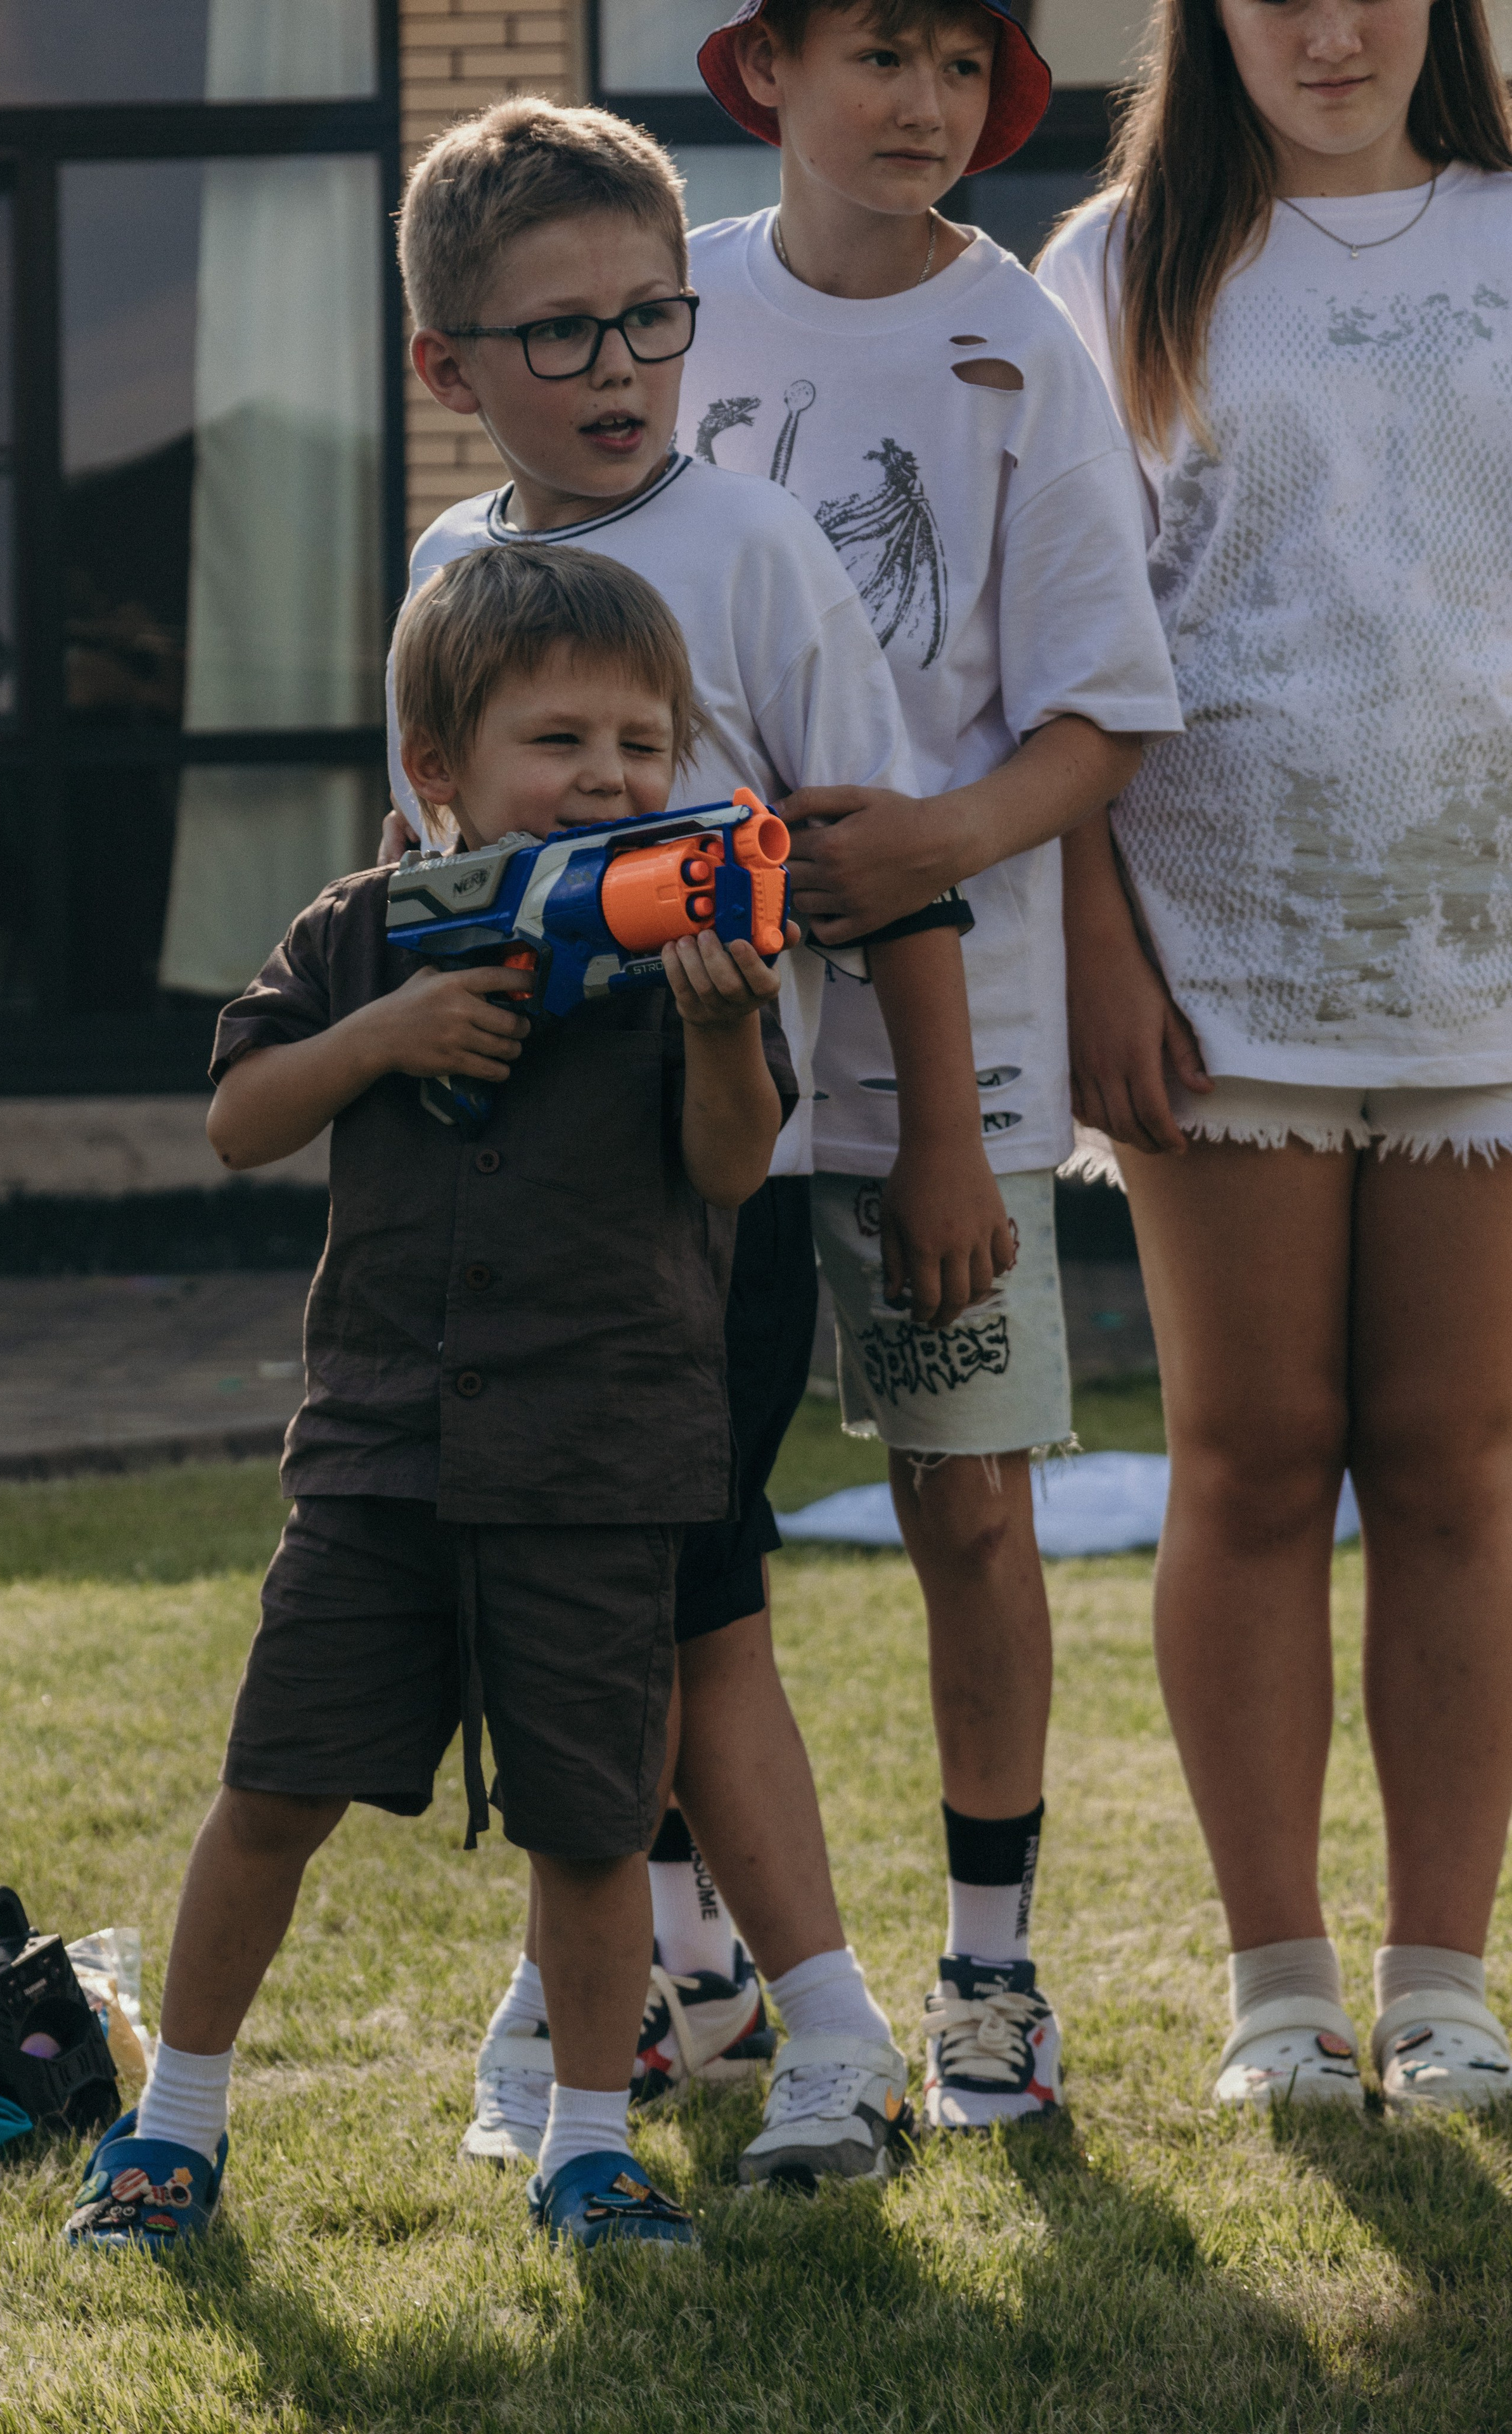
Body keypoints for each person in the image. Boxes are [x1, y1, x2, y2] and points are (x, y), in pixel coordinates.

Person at [385, 95, 995, 2189]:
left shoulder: (752, 548)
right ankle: (644, 1995)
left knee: (683, 1596)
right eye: (557, 335)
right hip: (510, 1203)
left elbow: (885, 870)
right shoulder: (449, 571)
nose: (621, 367)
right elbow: (418, 871)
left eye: (651, 317)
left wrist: (933, 1151)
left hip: (709, 1192)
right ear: (447, 370)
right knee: (619, 1598)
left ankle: (795, 2032)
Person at [64, 543, 795, 2257]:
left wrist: (715, 1034)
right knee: (272, 1790)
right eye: (562, 741)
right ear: (438, 770)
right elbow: (243, 1118)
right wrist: (383, 1033)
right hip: (384, 1456)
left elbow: (736, 1170)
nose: (610, 776)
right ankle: (173, 2128)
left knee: (597, 1826)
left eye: (642, 742)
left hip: (600, 1467)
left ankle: (588, 2144)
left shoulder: (684, 945)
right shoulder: (358, 932)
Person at [681, 0, 1183, 2128]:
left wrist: (937, 843)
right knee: (672, 1512)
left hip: (949, 1049)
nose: (926, 108)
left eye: (963, 72)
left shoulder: (1023, 349)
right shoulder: (663, 302)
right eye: (881, 55)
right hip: (689, 1029)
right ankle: (686, 1964)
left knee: (967, 1500)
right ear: (769, 71)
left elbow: (1102, 704)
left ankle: (994, 1980)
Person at [1038, 0, 1512, 2111]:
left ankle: (1443, 1988)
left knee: (1457, 1469)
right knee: (1248, 1459)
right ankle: (1276, 2000)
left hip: (1488, 957)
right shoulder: (1116, 269)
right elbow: (1048, 644)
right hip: (1217, 962)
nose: (1328, 28)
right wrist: (1092, 946)